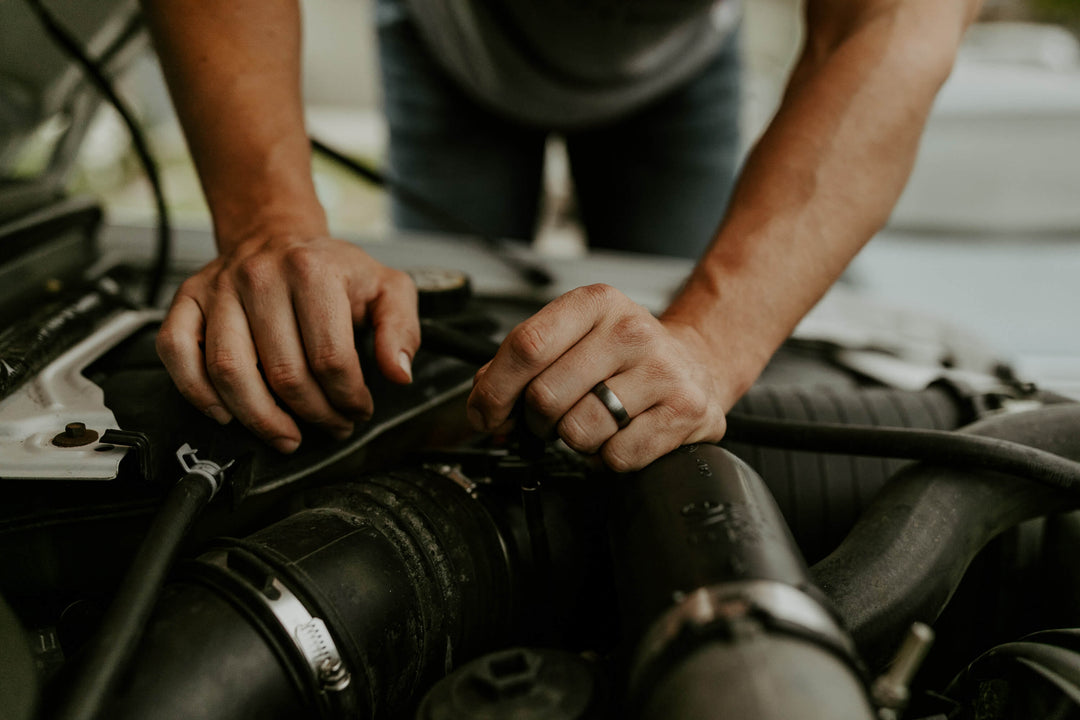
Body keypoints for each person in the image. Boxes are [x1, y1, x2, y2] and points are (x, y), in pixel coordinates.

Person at [143, 0, 983, 471]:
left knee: (672, 399)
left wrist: (710, 343)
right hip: (453, 43)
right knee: (432, 372)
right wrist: (270, 225)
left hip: (679, 63)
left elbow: (897, 24)